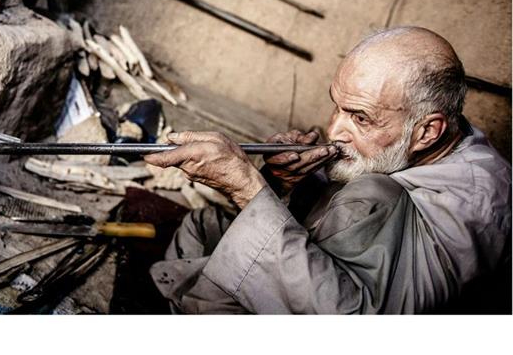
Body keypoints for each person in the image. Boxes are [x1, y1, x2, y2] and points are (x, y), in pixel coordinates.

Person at [145, 26, 511, 313]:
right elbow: (322, 219)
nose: (334, 130)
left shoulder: (474, 208)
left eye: (360, 118)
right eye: (337, 107)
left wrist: (247, 189)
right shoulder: (407, 144)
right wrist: (281, 182)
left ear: (428, 131)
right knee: (202, 224)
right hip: (304, 270)